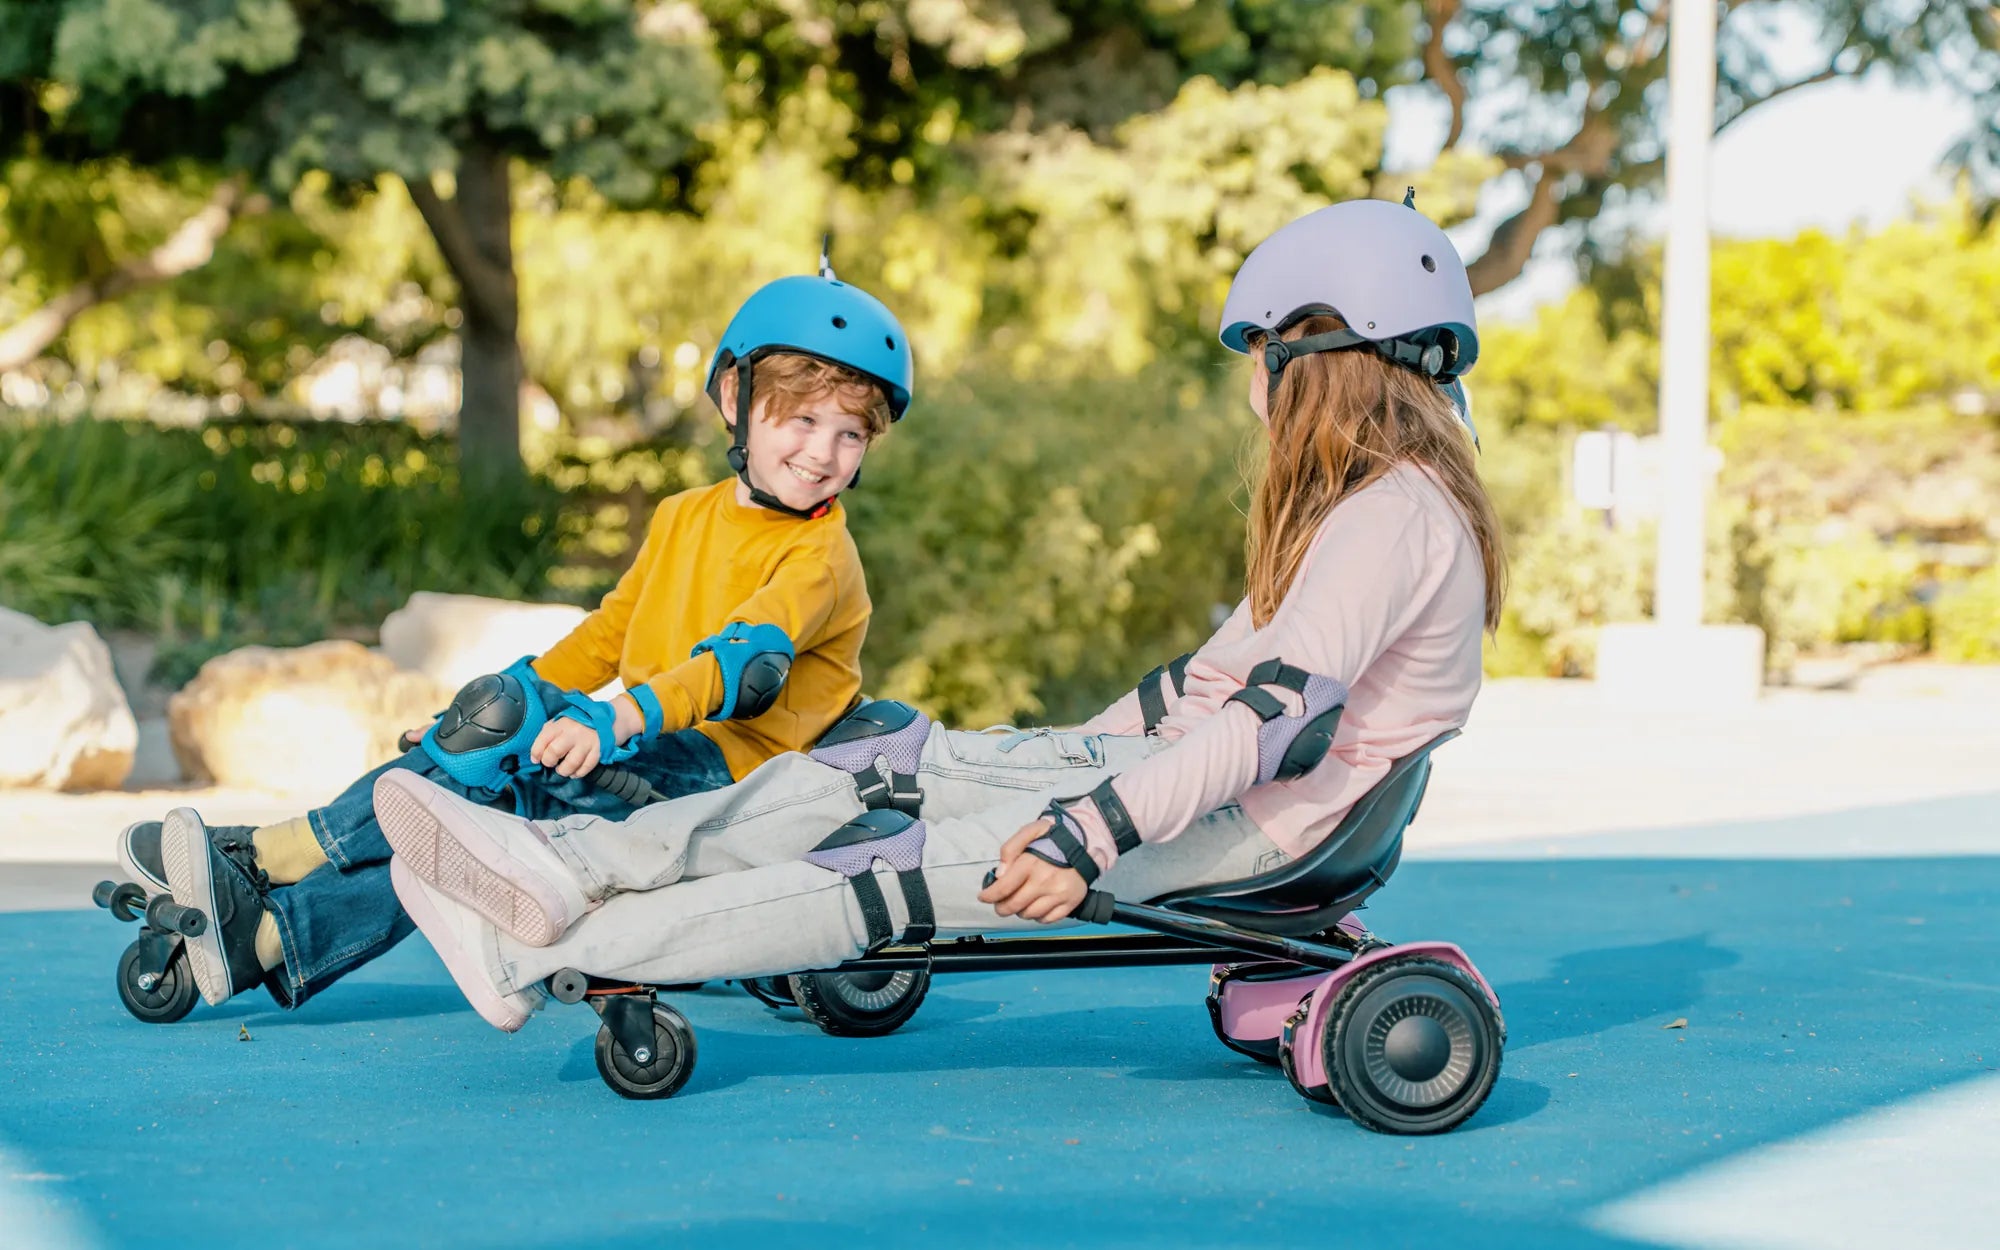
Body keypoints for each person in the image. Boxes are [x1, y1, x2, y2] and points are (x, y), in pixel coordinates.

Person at [374, 196, 1510, 1030]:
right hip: (1194, 785)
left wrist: (1084, 831)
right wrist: (1073, 760)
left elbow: (1268, 727)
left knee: (872, 873)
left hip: (1244, 822)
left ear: (1313, 357)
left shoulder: (1385, 523)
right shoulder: (1379, 509)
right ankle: (565, 859)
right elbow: (1199, 691)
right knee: (873, 766)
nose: (1253, 382)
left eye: (1259, 353)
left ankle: (546, 939)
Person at [121, 269, 938, 1014]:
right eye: (802, 420)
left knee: (476, 796)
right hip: (664, 739)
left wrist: (615, 722)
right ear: (735, 397)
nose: (823, 454)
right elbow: (611, 635)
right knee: (481, 752)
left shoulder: (820, 557)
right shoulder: (685, 515)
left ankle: (260, 863)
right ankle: (262, 940)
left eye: (850, 436)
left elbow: (739, 666)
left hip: (729, 771)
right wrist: (461, 726)